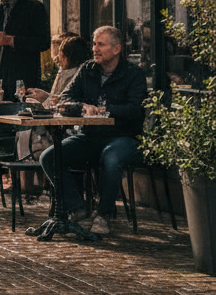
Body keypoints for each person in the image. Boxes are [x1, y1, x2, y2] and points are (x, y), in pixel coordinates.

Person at [39, 26, 147, 235]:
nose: (95, 49)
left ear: (116, 49)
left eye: (101, 44)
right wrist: (83, 107)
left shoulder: (133, 74)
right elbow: (64, 99)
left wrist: (106, 110)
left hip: (123, 137)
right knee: (49, 157)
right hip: (90, 136)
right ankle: (77, 208)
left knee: (111, 158)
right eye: (94, 44)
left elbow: (136, 110)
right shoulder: (87, 69)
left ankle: (104, 215)